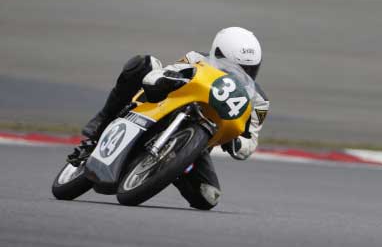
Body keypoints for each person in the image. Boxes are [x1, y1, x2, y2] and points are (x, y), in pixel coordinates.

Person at [70, 27, 269, 210]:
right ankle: (100, 127)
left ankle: (173, 167)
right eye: (237, 67)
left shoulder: (259, 101)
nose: (243, 74)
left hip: (198, 143)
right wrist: (165, 79)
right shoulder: (197, 58)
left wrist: (234, 141)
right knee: (142, 64)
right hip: (165, 108)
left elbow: (250, 142)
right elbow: (166, 72)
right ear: (217, 54)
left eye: (249, 69)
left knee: (208, 197)